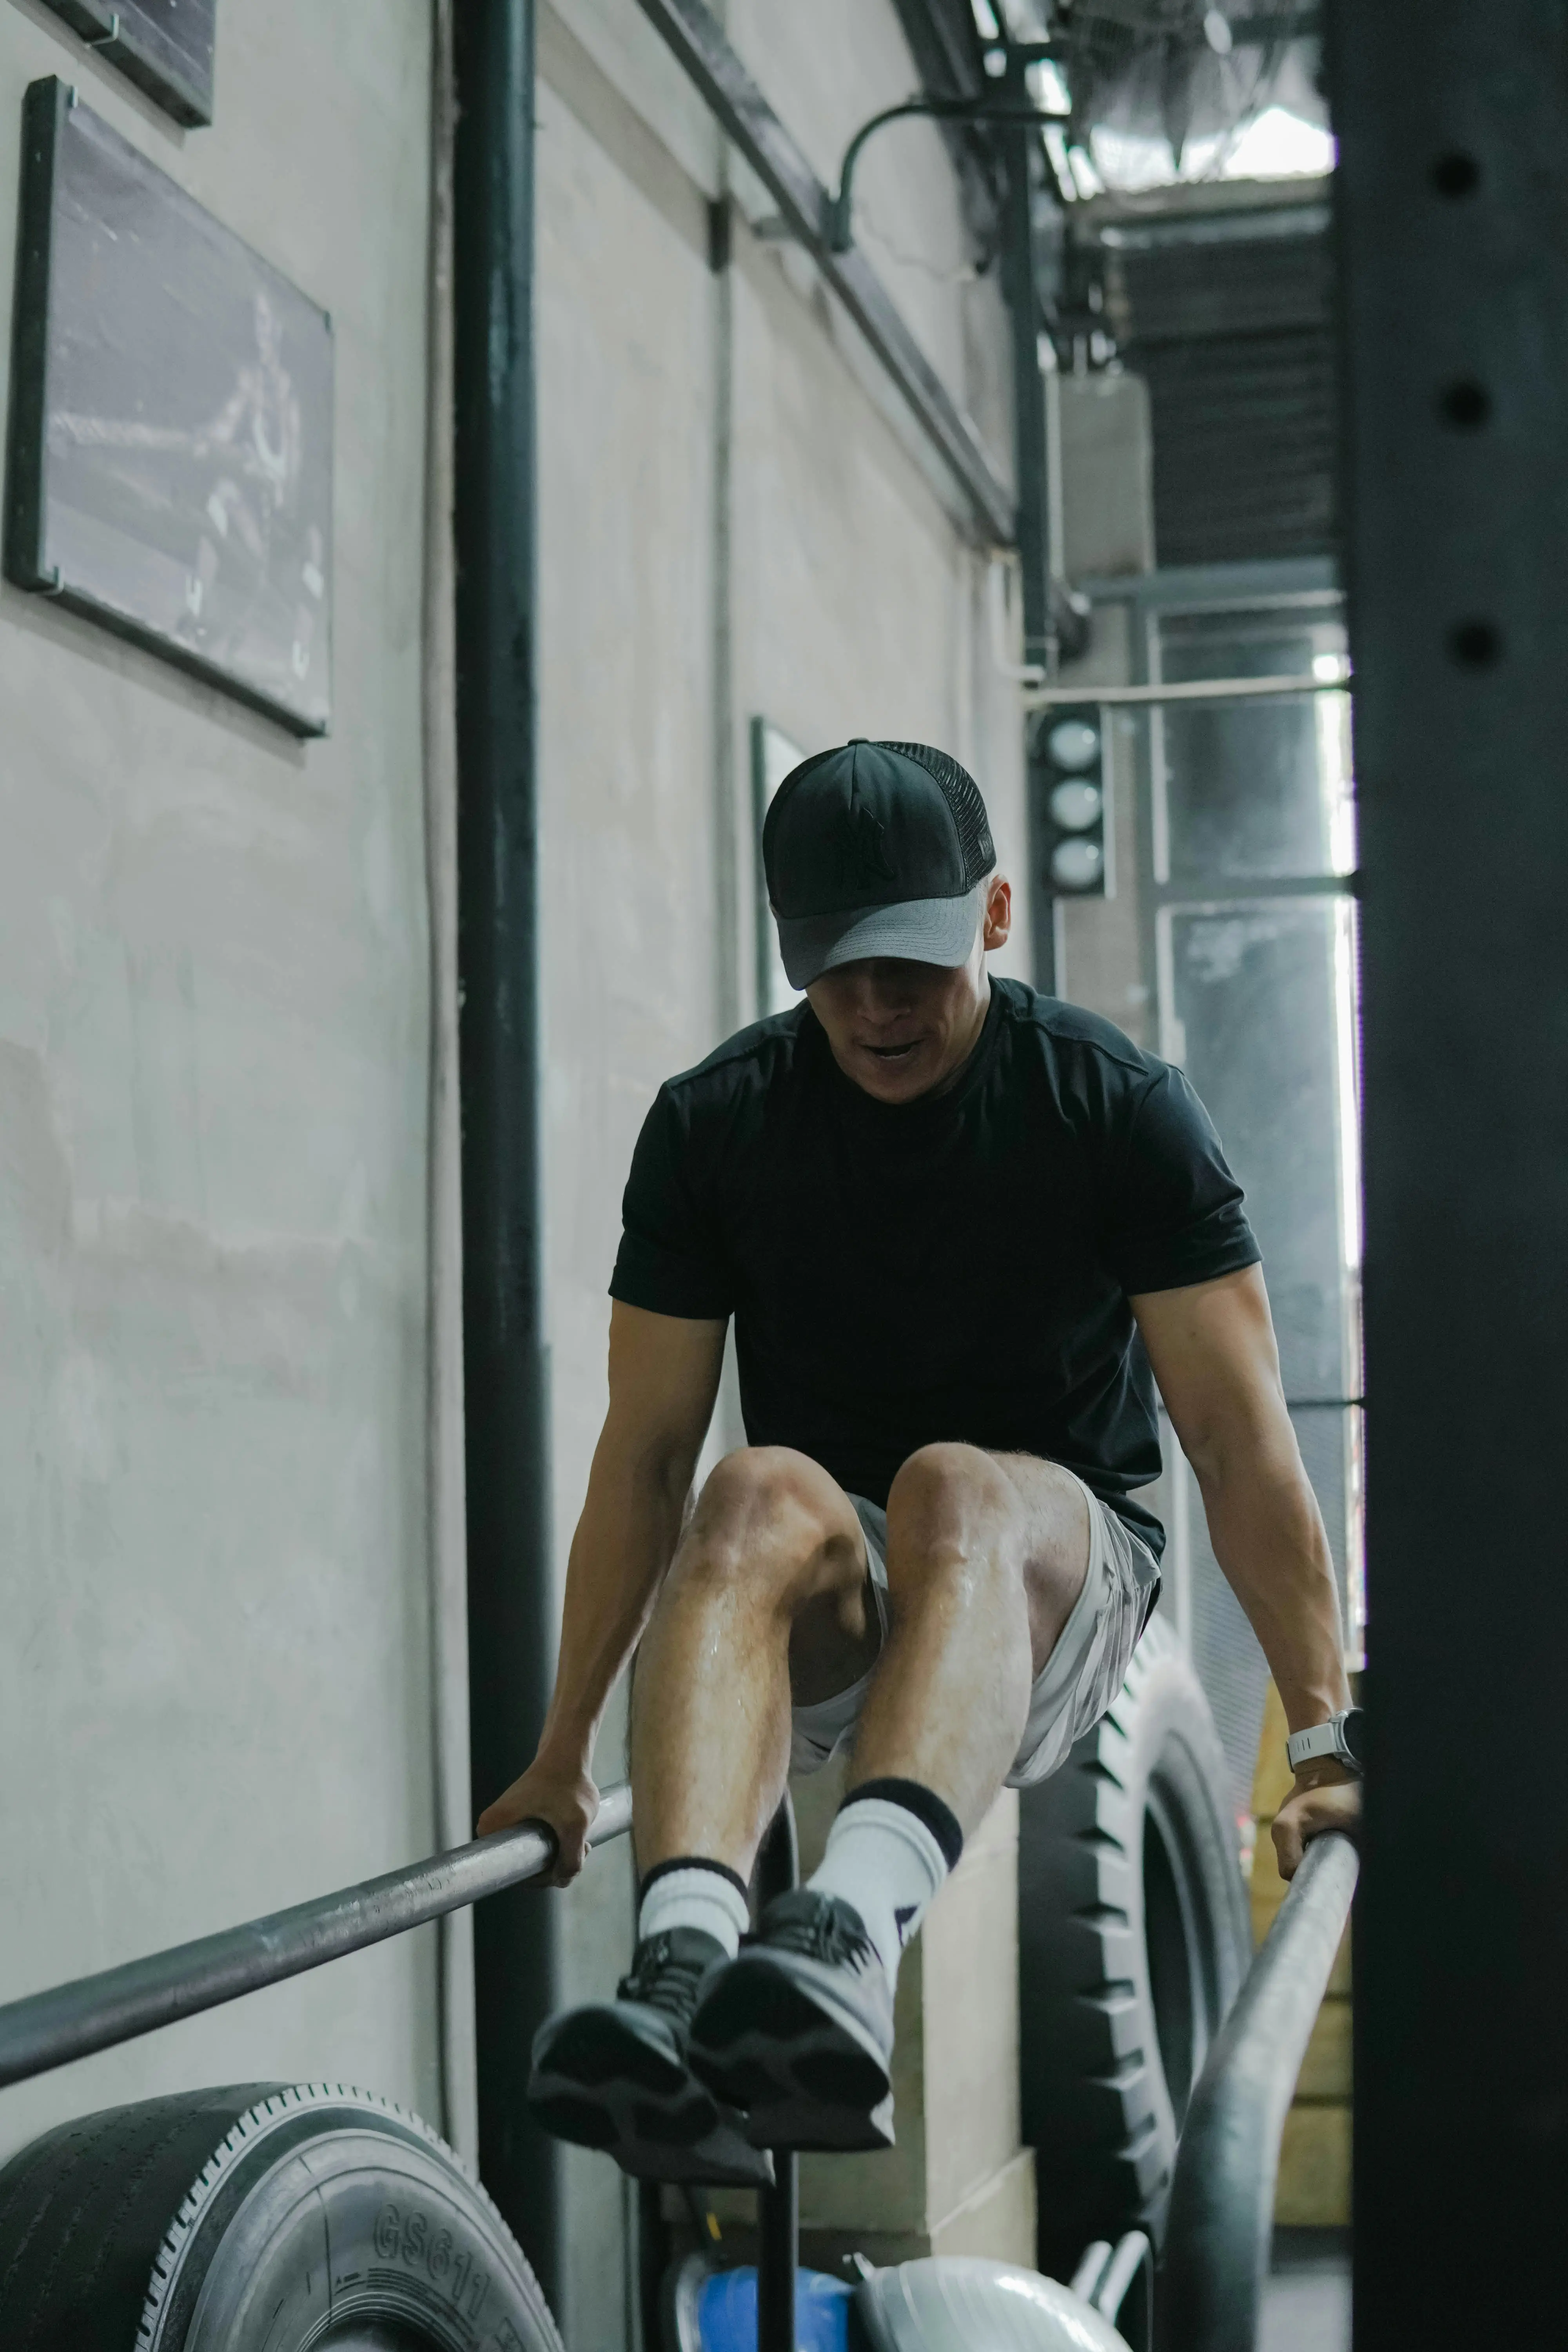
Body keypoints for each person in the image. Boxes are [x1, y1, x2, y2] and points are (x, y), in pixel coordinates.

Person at [478, 739, 1360, 2186]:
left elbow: (1239, 1440)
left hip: (1053, 1588)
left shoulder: (1117, 1107)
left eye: (916, 964)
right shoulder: (715, 1126)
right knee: (748, 1486)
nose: (879, 1005)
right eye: (839, 970)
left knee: (959, 1482)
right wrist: (559, 1756)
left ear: (993, 921)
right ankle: (685, 1967)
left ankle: (844, 1937)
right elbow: (640, 1460)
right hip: (839, 1602)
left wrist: (1325, 1742)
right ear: (789, 955)